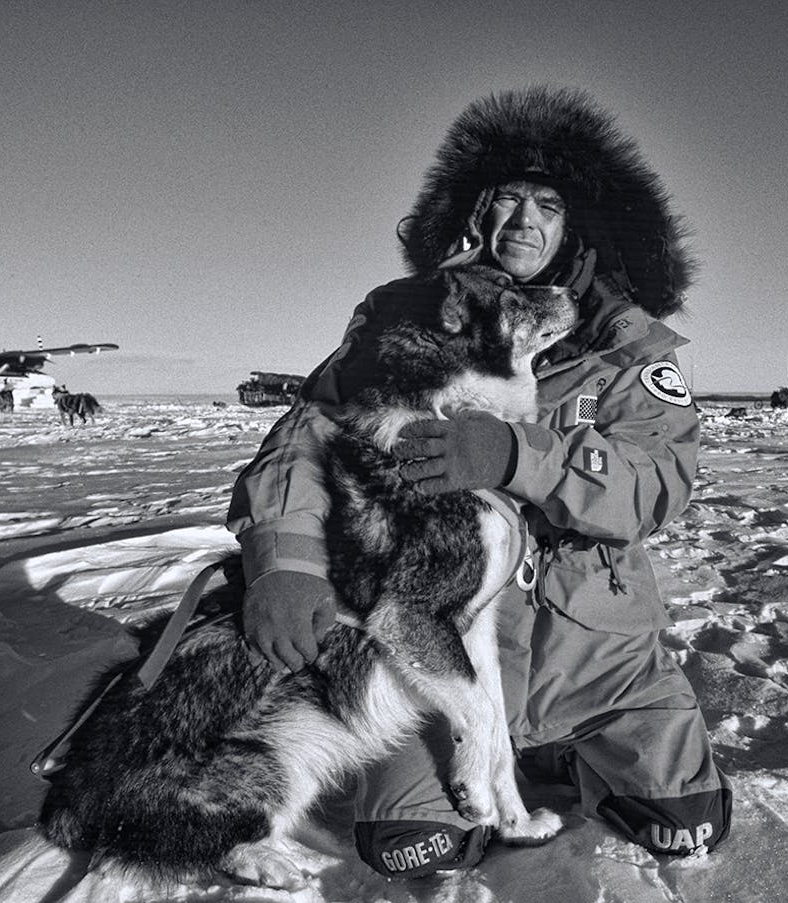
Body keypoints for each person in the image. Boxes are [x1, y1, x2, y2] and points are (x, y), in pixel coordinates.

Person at [226, 86, 730, 879]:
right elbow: (307, 432)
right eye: (505, 199)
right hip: (435, 650)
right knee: (413, 848)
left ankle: (573, 752)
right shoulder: (411, 316)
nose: (523, 221)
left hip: (594, 656)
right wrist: (284, 556)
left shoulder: (628, 347)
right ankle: (475, 754)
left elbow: (655, 484)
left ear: (580, 224)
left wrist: (517, 455)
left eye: (548, 204)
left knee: (686, 827)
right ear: (474, 212)